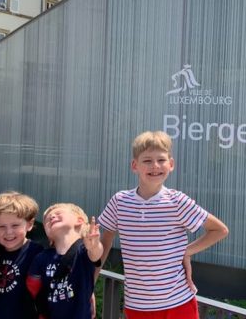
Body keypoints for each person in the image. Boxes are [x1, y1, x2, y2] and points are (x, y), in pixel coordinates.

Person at [98, 130, 229, 319]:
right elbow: (105, 243)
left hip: (178, 303)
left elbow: (219, 230)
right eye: (147, 160)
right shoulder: (119, 202)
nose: (155, 166)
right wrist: (89, 283)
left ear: (171, 164)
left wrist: (186, 251)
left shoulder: (177, 201)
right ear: (134, 165)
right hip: (137, 306)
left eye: (161, 160)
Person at [26, 203, 103, 319]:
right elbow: (33, 287)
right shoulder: (41, 258)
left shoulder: (84, 251)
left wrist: (94, 245)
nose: (51, 217)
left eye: (58, 213)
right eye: (47, 220)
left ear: (79, 220)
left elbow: (95, 254)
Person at [0, 191, 45, 319]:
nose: (8, 232)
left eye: (15, 225)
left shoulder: (38, 253)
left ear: (29, 225)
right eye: (2, 226)